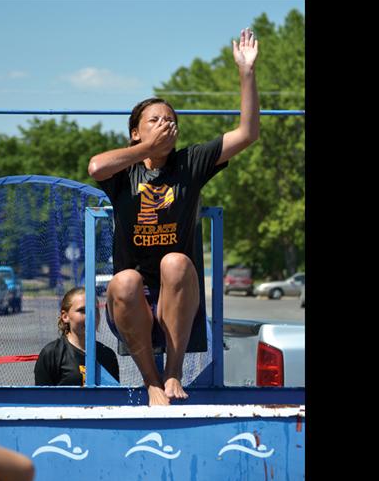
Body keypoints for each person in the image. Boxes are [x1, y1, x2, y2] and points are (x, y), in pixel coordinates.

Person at [88, 28, 259, 406]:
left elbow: (248, 133)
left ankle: (173, 372)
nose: (166, 124)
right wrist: (146, 149)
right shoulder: (124, 171)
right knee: (126, 280)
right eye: (155, 120)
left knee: (176, 262)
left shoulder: (190, 162)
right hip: (131, 305)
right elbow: (95, 166)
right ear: (135, 132)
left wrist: (246, 72)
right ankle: (151, 382)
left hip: (178, 300)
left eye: (170, 119)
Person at [34, 286, 119, 385]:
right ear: (65, 316)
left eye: (95, 310)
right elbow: (41, 398)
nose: (90, 316)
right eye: (82, 310)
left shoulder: (107, 355)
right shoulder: (52, 354)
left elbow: (114, 397)